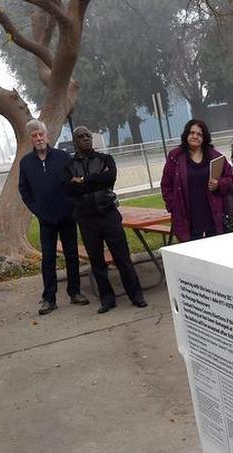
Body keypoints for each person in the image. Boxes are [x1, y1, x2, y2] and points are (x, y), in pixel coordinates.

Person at [63, 126, 147, 313]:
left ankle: (136, 295)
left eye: (88, 135)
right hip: (86, 220)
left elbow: (109, 178)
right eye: (81, 136)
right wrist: (93, 181)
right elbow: (68, 189)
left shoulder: (105, 159)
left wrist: (82, 181)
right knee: (97, 261)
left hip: (109, 215)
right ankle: (107, 299)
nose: (86, 138)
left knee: (122, 258)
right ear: (74, 141)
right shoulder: (69, 165)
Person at [19, 119, 89, 315]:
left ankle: (75, 292)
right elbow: (24, 191)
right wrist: (37, 209)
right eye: (34, 135)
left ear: (47, 136)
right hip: (45, 220)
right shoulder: (26, 163)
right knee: (48, 259)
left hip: (67, 216)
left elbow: (74, 183)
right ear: (30, 139)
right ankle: (49, 298)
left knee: (72, 255)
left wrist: (71, 205)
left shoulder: (62, 157)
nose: (39, 138)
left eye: (41, 134)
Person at [161, 119, 233, 242]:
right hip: (187, 215)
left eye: (199, 134)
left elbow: (229, 178)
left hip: (212, 213)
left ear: (204, 138)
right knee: (192, 253)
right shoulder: (175, 157)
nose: (195, 136)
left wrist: (218, 185)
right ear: (186, 135)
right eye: (192, 133)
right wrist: (173, 205)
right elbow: (166, 185)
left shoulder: (216, 157)